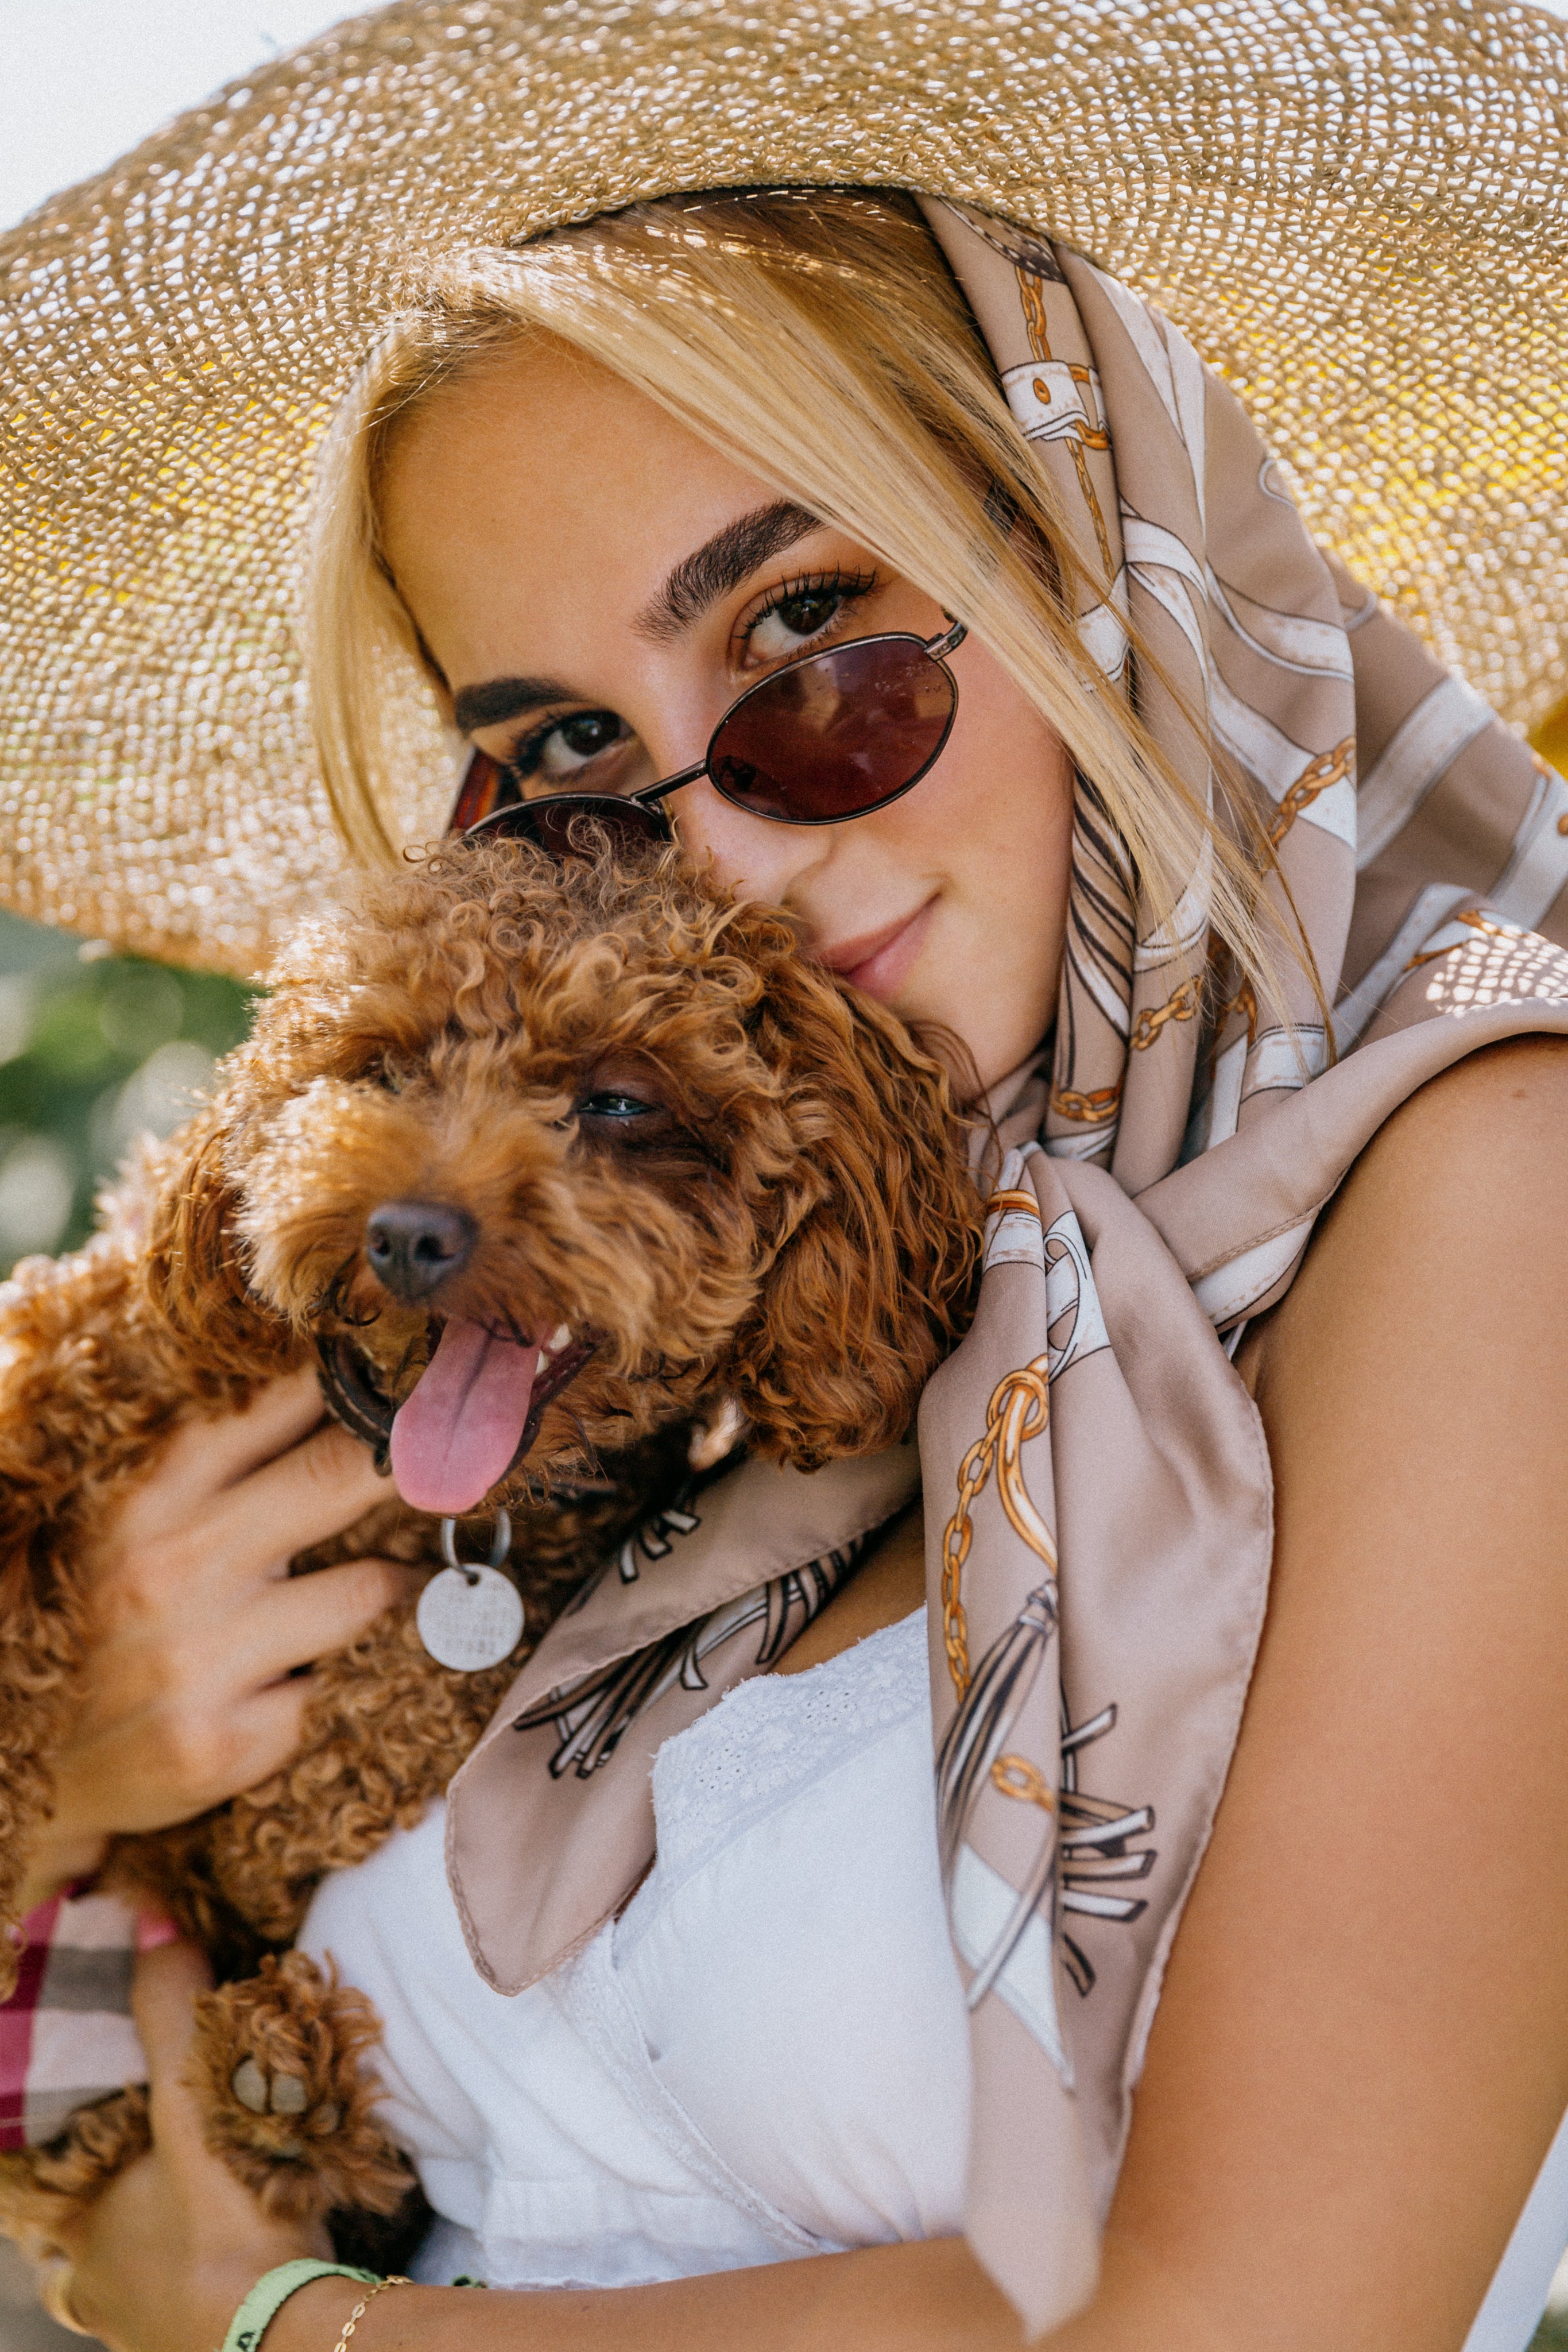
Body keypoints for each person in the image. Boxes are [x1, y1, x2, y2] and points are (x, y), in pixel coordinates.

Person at [3, 10, 1567, 2352]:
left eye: (813, 644)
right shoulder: (682, 1322)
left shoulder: (1481, 1196)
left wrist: (273, 2327)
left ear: (1094, 569)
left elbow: (1246, 2319)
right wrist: (64, 1779)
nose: (717, 843)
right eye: (563, 765)